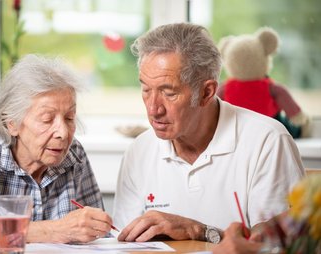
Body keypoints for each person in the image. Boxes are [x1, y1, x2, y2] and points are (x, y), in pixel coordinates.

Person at [112, 23, 305, 243]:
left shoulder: (267, 141)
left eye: (169, 93)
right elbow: (124, 243)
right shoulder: (139, 150)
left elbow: (283, 243)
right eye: (146, 90)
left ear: (206, 92)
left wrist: (199, 231)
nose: (153, 108)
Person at [0, 54, 113, 247]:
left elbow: (99, 233)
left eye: (69, 118)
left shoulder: (74, 155)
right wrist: (56, 230)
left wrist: (96, 228)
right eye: (47, 119)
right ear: (11, 123)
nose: (63, 133)